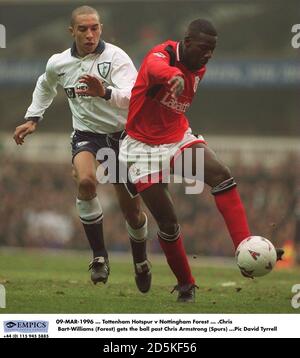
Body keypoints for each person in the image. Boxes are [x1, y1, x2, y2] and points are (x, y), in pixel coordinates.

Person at [119, 18, 284, 302]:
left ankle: (245, 247)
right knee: (168, 223)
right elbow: (156, 67)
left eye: (213, 49)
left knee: (221, 175)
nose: (209, 54)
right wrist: (172, 75)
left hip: (176, 137)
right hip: (141, 150)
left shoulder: (199, 66)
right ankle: (186, 284)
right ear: (188, 42)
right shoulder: (162, 55)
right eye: (205, 47)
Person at [13, 6, 151, 293]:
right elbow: (45, 84)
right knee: (86, 182)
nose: (90, 34)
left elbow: (135, 94)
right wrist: (33, 117)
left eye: (95, 28)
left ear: (100, 28)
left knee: (133, 213)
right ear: (71, 31)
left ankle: (140, 261)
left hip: (121, 138)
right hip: (87, 135)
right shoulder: (59, 63)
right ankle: (99, 256)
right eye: (83, 29)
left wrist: (105, 92)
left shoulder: (115, 57)